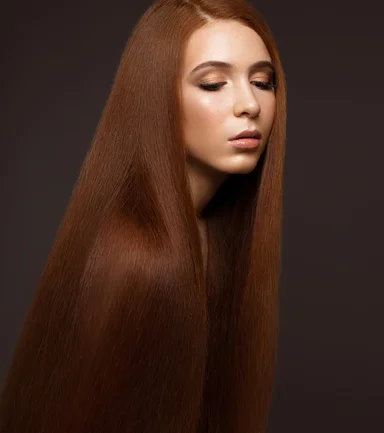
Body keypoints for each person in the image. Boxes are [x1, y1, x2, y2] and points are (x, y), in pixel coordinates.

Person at [0, 0, 287, 431]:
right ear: (158, 97)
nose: (249, 104)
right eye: (212, 84)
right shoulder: (143, 258)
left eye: (263, 82)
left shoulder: (210, 235)